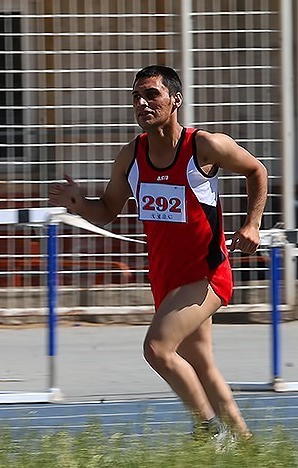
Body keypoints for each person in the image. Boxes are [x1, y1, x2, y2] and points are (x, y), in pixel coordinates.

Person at [49, 64, 267, 444]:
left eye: (152, 94)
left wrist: (252, 223)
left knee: (157, 348)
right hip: (166, 277)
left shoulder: (204, 146)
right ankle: (246, 445)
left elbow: (256, 170)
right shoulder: (132, 155)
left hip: (207, 273)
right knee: (202, 364)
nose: (142, 103)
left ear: (175, 100)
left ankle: (209, 432)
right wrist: (80, 204)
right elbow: (107, 209)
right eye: (136, 96)